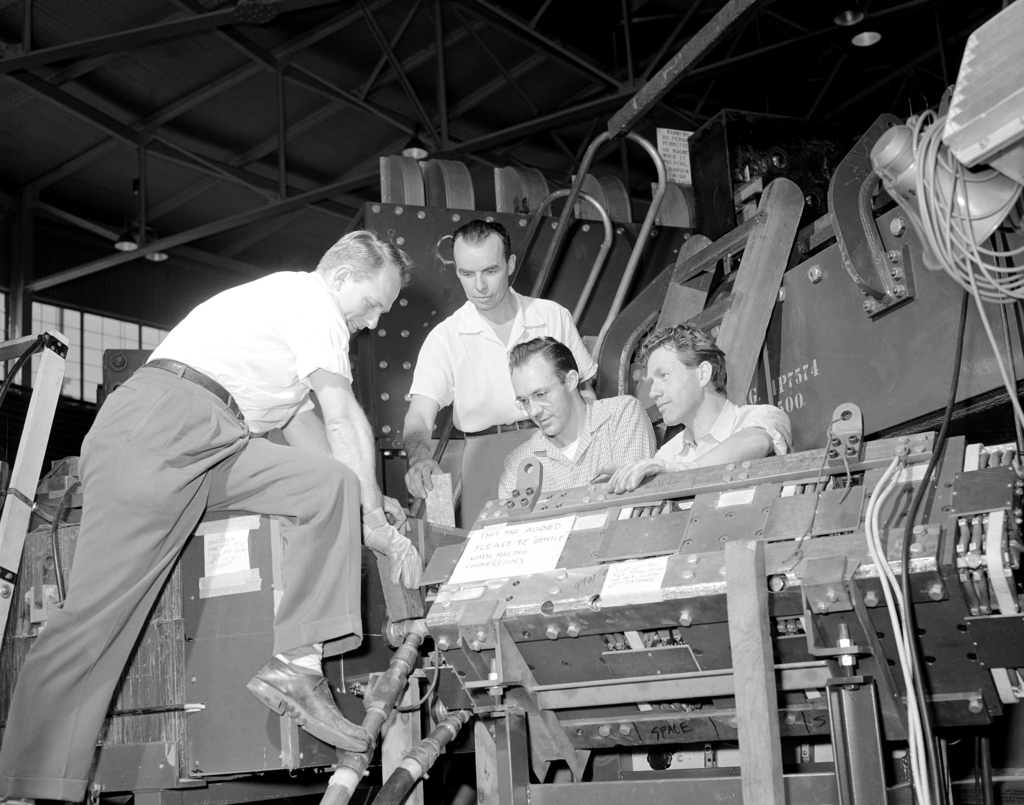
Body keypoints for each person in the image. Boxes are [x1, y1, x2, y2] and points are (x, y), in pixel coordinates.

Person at [0, 230, 422, 803]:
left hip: (218, 439)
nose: (373, 323)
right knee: (97, 618)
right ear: (344, 279)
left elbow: (320, 450)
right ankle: (25, 783)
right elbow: (343, 417)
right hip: (163, 422)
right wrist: (373, 515)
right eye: (373, 304)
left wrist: (364, 499)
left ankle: (297, 666)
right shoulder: (311, 300)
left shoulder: (291, 337)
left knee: (327, 488)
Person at [403, 219, 597, 526]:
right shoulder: (445, 337)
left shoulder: (552, 316)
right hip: (485, 458)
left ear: (510, 264)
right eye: (467, 273)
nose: (479, 286)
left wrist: (592, 451)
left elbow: (584, 393)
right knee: (489, 558)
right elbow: (418, 418)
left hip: (556, 444)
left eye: (490, 271)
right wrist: (419, 457)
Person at [604, 323, 792, 493]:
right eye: (652, 382)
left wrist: (681, 471)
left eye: (663, 375)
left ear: (703, 374)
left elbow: (756, 442)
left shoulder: (763, 417)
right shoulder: (668, 454)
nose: (653, 393)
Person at [498, 337, 656, 499]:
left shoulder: (621, 415)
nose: (534, 411)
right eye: (524, 401)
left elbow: (631, 502)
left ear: (570, 381)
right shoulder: (519, 464)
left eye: (540, 394)